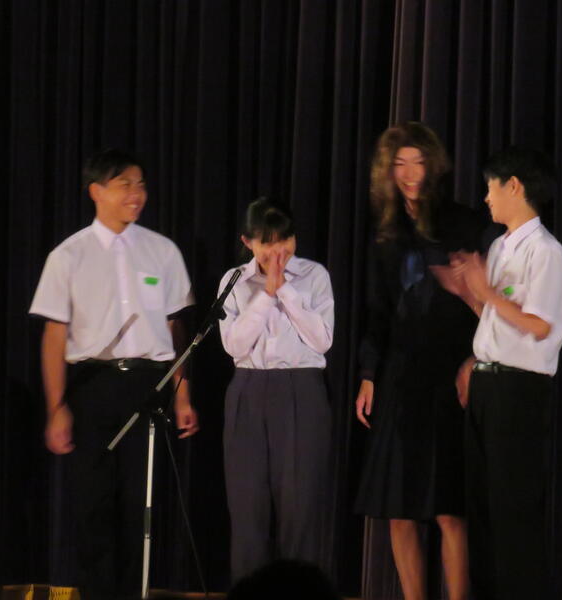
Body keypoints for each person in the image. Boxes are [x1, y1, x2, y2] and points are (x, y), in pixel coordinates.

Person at [29, 148, 199, 600]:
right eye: (125, 184)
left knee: (138, 507)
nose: (136, 193)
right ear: (97, 191)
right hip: (91, 388)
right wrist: (56, 406)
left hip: (147, 386)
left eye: (141, 184)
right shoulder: (69, 255)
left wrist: (183, 395)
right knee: (93, 507)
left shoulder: (162, 251)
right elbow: (54, 335)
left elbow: (175, 327)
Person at [354, 122, 482, 600]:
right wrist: (369, 374)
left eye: (418, 162)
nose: (409, 173)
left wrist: (475, 359)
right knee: (399, 508)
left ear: (434, 166)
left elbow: (484, 302)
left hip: (451, 373)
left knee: (450, 508)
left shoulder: (463, 222)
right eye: (399, 164)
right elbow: (378, 311)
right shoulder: (387, 233)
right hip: (401, 376)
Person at [455, 146, 562, 599]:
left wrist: (487, 294)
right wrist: (471, 294)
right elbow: (497, 316)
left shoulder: (546, 251)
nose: (486, 198)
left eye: (491, 187)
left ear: (515, 186)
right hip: (488, 384)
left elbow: (540, 325)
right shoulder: (501, 245)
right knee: (481, 507)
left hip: (519, 389)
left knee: (513, 509)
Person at [218, 198, 334, 582]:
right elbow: (234, 345)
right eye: (267, 242)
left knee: (299, 509)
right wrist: (265, 295)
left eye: (285, 239)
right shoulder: (234, 281)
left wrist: (284, 290)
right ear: (247, 242)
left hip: (301, 390)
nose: (278, 251)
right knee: (247, 509)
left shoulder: (314, 275)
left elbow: (322, 340)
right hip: (248, 390)